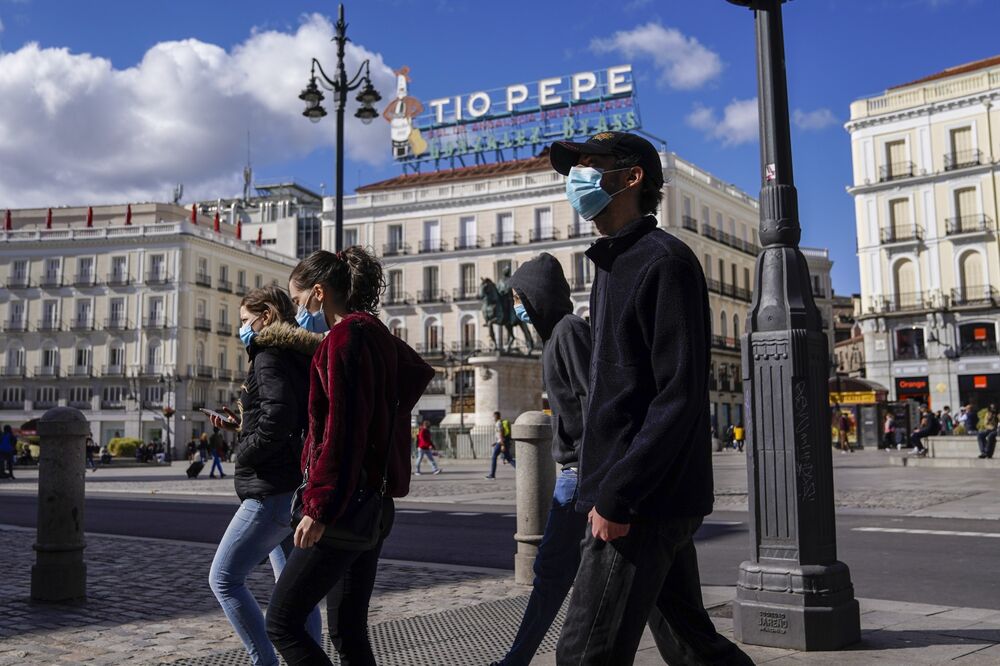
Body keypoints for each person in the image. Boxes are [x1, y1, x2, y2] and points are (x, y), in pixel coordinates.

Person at [547, 131, 752, 664]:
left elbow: (676, 396)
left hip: (641, 501)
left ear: (632, 177)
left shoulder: (664, 262)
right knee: (692, 646)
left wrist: (618, 494)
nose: (578, 178)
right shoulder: (613, 265)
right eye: (575, 169)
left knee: (583, 655)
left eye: (591, 165)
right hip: (642, 494)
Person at [266, 248, 434, 665]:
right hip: (371, 504)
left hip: (342, 505)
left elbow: (342, 431)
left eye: (300, 300)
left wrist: (318, 507)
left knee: (282, 622)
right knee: (348, 630)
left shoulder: (343, 340)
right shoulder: (378, 337)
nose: (299, 311)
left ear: (320, 293)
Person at [208, 285, 324, 666]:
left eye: (246, 321)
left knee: (224, 579)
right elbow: (285, 413)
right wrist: (241, 425)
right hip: (293, 484)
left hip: (270, 488)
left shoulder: (268, 354)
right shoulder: (299, 353)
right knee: (295, 591)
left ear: (267, 316)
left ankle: (265, 661)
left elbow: (278, 417)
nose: (242, 329)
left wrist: (246, 451)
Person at [490, 252, 591, 666]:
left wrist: (593, 471)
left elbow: (592, 401)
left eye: (521, 298)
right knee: (564, 574)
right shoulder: (553, 337)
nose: (518, 307)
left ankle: (520, 658)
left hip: (580, 473)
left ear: (538, 296)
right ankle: (522, 657)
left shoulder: (568, 332)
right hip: (575, 470)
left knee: (551, 573)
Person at [486, 411, 515, 479]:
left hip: (501, 443)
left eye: (494, 416)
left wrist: (502, 445)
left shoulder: (498, 423)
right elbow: (500, 435)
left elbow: (501, 433)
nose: (493, 418)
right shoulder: (499, 423)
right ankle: (521, 469)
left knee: (494, 457)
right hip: (501, 442)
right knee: (509, 459)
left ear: (496, 416)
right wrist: (496, 442)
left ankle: (492, 475)